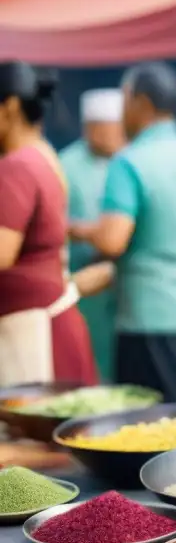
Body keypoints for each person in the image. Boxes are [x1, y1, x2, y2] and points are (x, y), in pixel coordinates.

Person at [71, 62, 176, 403]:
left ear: (141, 102)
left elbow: (113, 240)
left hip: (150, 314)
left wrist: (75, 230)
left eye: (125, 100)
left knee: (150, 426)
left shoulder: (129, 162)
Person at [0, 62, 97, 387]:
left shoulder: (17, 167)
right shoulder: (44, 155)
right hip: (46, 324)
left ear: (10, 107)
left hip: (33, 335)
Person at [60, 89, 125, 383]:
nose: (121, 137)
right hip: (82, 284)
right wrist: (88, 233)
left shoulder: (127, 161)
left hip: (119, 284)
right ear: (93, 129)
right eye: (115, 130)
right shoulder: (65, 165)